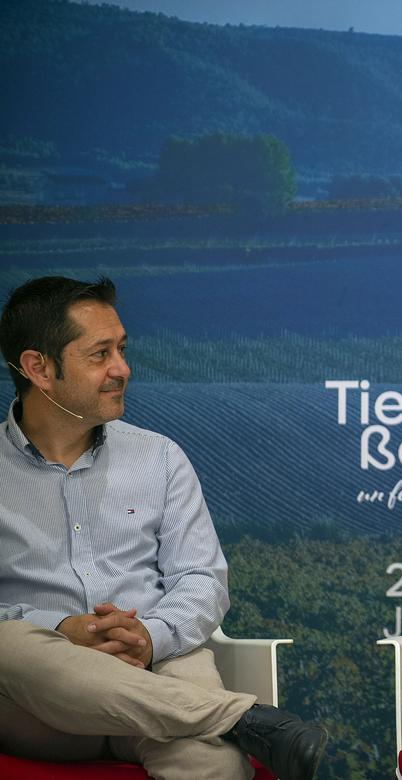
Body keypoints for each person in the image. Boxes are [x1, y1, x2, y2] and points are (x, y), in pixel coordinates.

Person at [0, 276, 327, 780]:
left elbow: (202, 579)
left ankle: (221, 723)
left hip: (156, 661)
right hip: (41, 698)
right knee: (9, 643)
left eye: (122, 349)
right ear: (38, 367)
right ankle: (242, 718)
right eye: (99, 354)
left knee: (212, 760)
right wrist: (62, 629)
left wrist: (148, 637)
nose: (122, 369)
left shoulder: (159, 457)